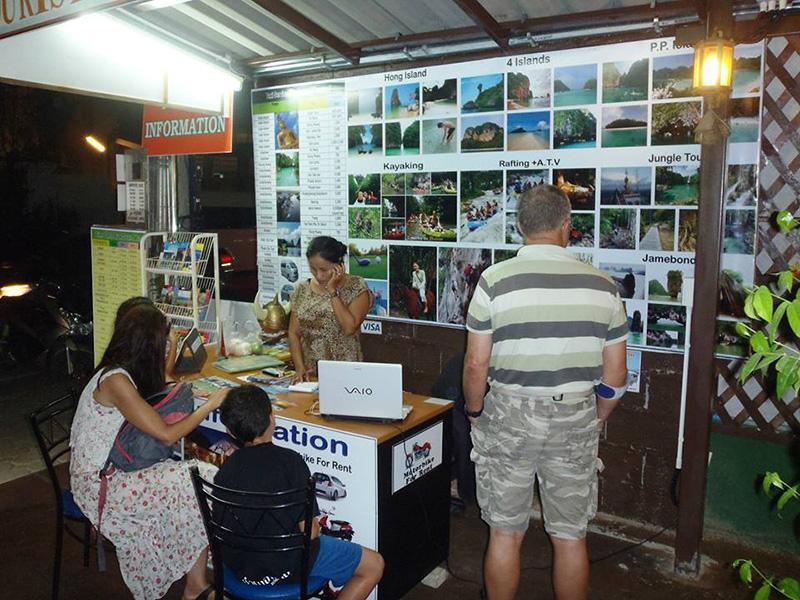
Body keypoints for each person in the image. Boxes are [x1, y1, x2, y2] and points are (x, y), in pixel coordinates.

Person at [463, 184, 629, 600]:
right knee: (570, 536)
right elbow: (617, 374)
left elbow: (475, 364)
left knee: (504, 530)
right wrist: (600, 413)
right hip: (574, 413)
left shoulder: (494, 281)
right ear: (568, 226)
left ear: (519, 226)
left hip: (508, 415)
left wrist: (475, 410)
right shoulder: (603, 285)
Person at [70, 303, 228, 600]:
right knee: (199, 480)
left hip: (115, 467)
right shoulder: (116, 381)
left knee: (194, 478)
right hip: (101, 482)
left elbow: (162, 381)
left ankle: (195, 583)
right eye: (165, 342)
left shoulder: (123, 370)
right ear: (149, 344)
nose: (168, 346)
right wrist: (209, 405)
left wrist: (174, 350)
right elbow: (167, 435)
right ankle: (195, 585)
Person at [214, 385, 384, 598]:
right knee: (374, 564)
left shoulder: (225, 470)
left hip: (239, 566)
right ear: (272, 417)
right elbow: (311, 533)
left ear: (230, 431)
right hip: (289, 565)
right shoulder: (291, 462)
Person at [288, 236, 371, 383]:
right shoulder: (302, 289)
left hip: (345, 374)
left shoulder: (356, 287)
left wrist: (332, 291)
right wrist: (299, 368)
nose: (319, 275)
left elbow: (349, 328)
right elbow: (293, 333)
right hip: (311, 374)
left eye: (324, 270)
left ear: (339, 265)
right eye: (313, 269)